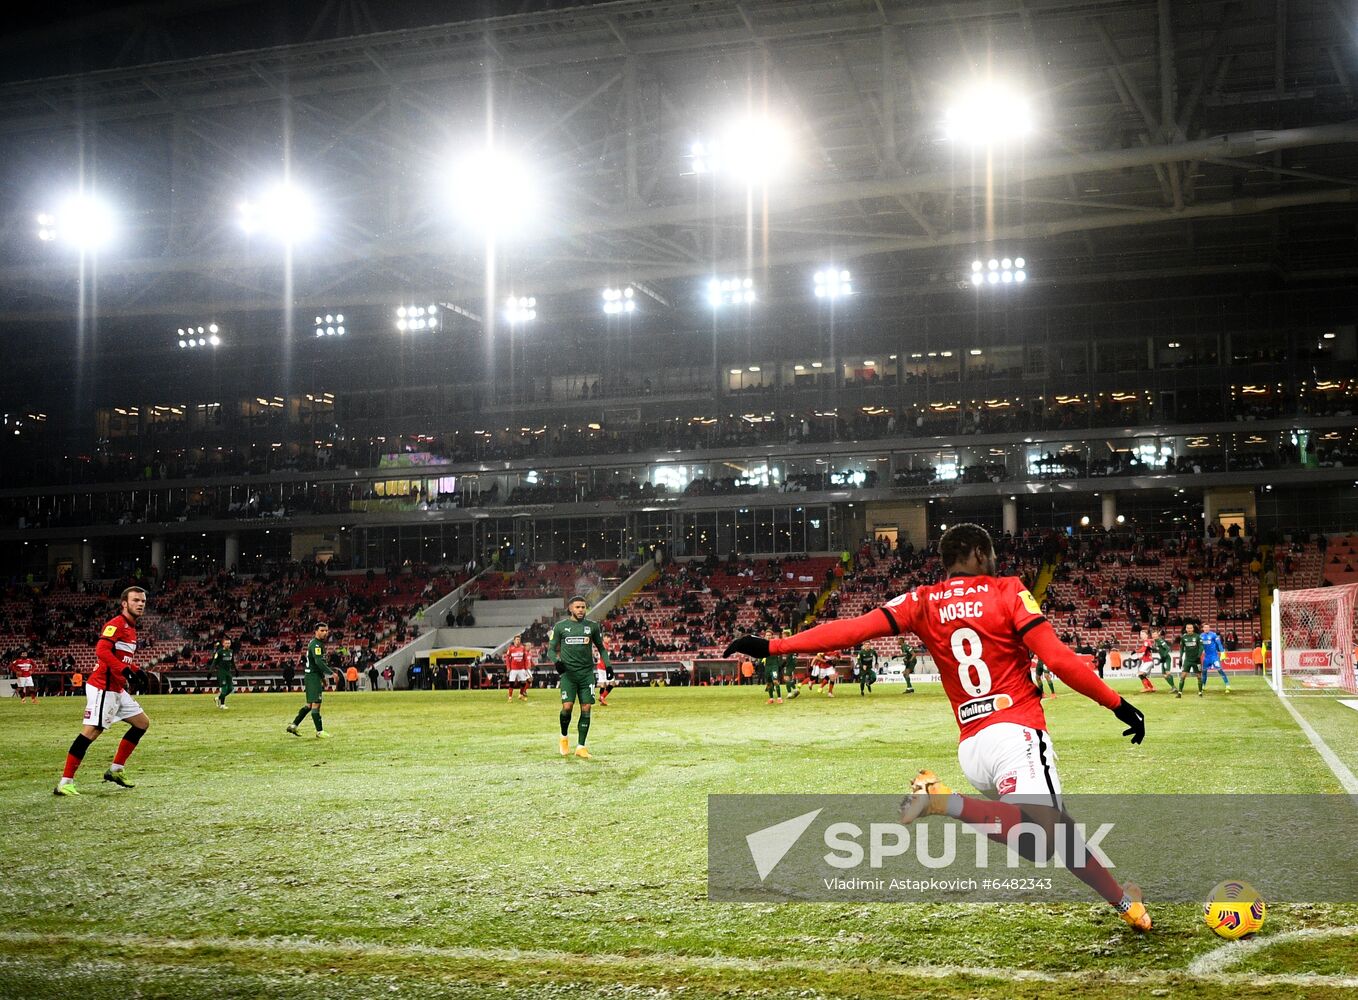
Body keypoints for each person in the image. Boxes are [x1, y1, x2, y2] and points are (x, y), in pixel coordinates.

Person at [724, 523, 1151, 931]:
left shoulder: (922, 600)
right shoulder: (1008, 591)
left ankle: (1126, 904)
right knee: (1044, 837)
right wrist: (1117, 703)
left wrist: (774, 645)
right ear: (981, 553)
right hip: (1014, 731)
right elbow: (1058, 660)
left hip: (973, 748)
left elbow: (850, 631)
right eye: (994, 555)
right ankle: (943, 801)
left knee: (1055, 833)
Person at [55, 587, 153, 796]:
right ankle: (65, 782)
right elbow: (101, 651)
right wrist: (125, 670)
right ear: (124, 604)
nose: (141, 604)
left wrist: (136, 670)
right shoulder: (116, 624)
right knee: (91, 732)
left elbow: (121, 658)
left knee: (142, 723)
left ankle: (116, 769)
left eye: (143, 601)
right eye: (136, 600)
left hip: (116, 688)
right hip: (103, 687)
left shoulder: (131, 627)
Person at [548, 596, 610, 758]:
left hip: (586, 675)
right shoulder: (561, 627)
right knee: (567, 707)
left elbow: (601, 648)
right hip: (568, 675)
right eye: (577, 607)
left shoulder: (592, 626)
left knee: (586, 708)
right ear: (570, 609)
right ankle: (563, 737)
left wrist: (608, 665)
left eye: (583, 607)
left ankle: (581, 747)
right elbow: (551, 650)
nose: (581, 610)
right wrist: (557, 662)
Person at [287, 623, 336, 738]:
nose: (325, 632)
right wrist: (332, 673)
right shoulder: (316, 645)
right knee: (316, 704)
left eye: (326, 630)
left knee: (309, 705)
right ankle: (320, 731)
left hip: (312, 676)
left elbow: (315, 663)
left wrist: (323, 678)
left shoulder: (316, 643)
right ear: (316, 631)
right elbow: (319, 663)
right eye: (322, 630)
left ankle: (293, 726)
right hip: (313, 676)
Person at [1200, 626, 1230, 694]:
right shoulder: (1201, 636)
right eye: (1205, 627)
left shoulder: (1213, 635)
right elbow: (1200, 646)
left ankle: (1227, 684)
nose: (1206, 629)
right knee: (1204, 672)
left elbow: (1219, 644)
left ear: (1209, 628)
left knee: (1220, 670)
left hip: (1214, 657)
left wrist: (1222, 652)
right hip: (1206, 657)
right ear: (1203, 628)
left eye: (1207, 627)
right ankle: (1203, 686)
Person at [1177, 623, 1203, 697]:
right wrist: (1180, 658)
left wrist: (1199, 655)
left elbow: (1201, 647)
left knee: (1199, 676)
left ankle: (1200, 692)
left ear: (1193, 629)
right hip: (1187, 660)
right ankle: (1179, 693)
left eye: (1190, 628)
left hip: (1196, 660)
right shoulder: (1183, 637)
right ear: (1186, 629)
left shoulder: (1197, 637)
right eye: (1188, 628)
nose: (1189, 629)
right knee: (1183, 676)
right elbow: (1181, 649)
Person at [505, 634, 533, 702]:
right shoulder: (510, 648)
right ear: (514, 640)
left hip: (521, 669)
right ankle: (510, 697)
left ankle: (520, 695)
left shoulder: (522, 648)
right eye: (517, 639)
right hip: (513, 669)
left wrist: (526, 667)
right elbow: (507, 658)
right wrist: (508, 667)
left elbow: (525, 658)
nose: (518, 641)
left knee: (523, 682)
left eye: (519, 639)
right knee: (512, 683)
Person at [211, 638, 236, 709]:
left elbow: (232, 661)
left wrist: (236, 669)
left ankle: (217, 698)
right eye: (226, 643)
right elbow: (214, 662)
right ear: (223, 644)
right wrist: (210, 671)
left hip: (228, 672)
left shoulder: (231, 651)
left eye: (229, 643)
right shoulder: (219, 652)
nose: (228, 644)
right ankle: (222, 705)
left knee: (230, 688)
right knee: (224, 689)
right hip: (221, 672)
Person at [760, 629, 783, 704]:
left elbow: (780, 653)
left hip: (774, 665)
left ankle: (779, 698)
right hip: (767, 667)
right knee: (769, 683)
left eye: (770, 635)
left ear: (772, 636)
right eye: (767, 635)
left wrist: (779, 664)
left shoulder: (775, 643)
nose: (768, 636)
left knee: (775, 681)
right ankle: (771, 699)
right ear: (765, 636)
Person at [1150, 629, 1176, 694]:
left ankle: (1174, 688)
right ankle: (1173, 687)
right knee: (1164, 675)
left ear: (1158, 635)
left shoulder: (1160, 640)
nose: (1154, 636)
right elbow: (1158, 649)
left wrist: (1164, 656)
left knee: (1167, 673)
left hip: (1166, 658)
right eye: (1153, 635)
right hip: (1163, 659)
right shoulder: (1155, 641)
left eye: (1155, 634)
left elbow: (1167, 648)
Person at [1132, 629, 1156, 694]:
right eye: (1140, 634)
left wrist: (1135, 651)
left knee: (1140, 674)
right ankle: (1151, 687)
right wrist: (1137, 659)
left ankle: (1147, 688)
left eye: (1142, 634)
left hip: (1148, 661)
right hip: (1147, 661)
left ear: (1146, 635)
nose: (1141, 636)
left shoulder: (1146, 641)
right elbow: (1145, 653)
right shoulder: (1147, 642)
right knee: (1142, 675)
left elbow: (1143, 650)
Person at [779, 630, 800, 699]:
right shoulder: (792, 641)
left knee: (786, 678)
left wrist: (784, 662)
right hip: (791, 661)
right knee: (788, 678)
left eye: (783, 634)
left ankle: (790, 692)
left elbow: (789, 653)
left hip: (789, 662)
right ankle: (794, 690)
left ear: (786, 635)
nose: (782, 636)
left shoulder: (787, 642)